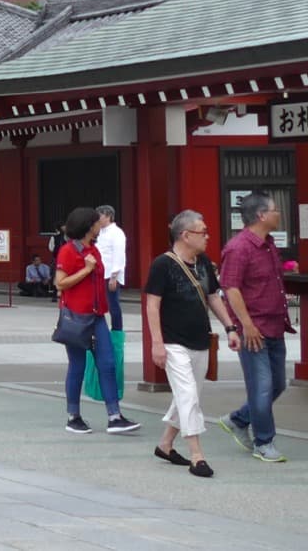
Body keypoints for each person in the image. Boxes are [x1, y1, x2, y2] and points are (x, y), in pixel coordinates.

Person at [146, 209, 240, 478]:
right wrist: (157, 343)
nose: (208, 236)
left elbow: (212, 296)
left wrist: (230, 327)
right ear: (186, 236)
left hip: (200, 340)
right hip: (173, 341)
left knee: (190, 396)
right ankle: (197, 456)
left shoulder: (203, 261)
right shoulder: (162, 265)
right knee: (187, 395)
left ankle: (165, 444)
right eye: (203, 232)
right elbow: (152, 305)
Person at [219, 191, 292, 463]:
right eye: (275, 210)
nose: (279, 214)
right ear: (261, 215)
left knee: (277, 384)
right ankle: (264, 442)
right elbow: (231, 288)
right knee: (261, 386)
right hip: (254, 328)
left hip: (274, 325)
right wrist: (245, 325)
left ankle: (238, 419)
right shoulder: (239, 248)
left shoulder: (270, 244)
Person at [55, 205, 138, 435]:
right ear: (87, 226)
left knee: (108, 362)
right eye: (95, 222)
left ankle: (114, 415)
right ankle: (73, 416)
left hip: (97, 315)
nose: (99, 225)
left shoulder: (94, 249)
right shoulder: (68, 251)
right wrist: (86, 269)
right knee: (78, 365)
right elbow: (60, 283)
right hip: (76, 316)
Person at [94, 204, 128, 333]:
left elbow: (119, 255)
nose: (97, 219)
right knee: (97, 304)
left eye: (100, 216)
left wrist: (114, 276)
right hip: (99, 273)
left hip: (110, 274)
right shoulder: (99, 232)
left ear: (108, 216)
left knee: (113, 306)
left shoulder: (117, 233)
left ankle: (117, 331)